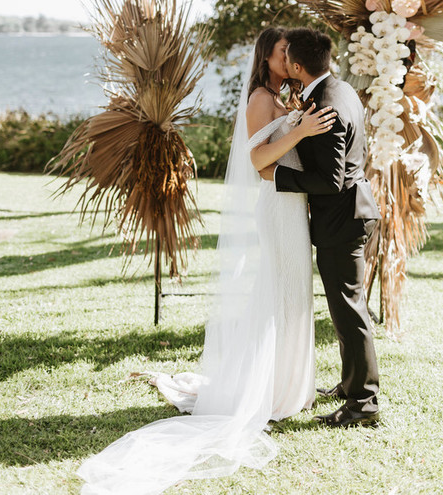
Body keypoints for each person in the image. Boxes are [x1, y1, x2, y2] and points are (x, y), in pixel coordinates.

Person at [77, 26, 335, 495]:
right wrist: (298, 130)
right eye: (282, 51)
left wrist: (298, 124)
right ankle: (271, 390)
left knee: (292, 291)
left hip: (293, 206)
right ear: (269, 57)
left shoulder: (282, 96)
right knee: (281, 290)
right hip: (278, 207)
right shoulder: (261, 97)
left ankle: (288, 384)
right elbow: (259, 161)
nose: (290, 57)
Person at [260, 26, 381, 428]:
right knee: (346, 307)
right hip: (350, 213)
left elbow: (330, 180)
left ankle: (363, 404)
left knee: (349, 311)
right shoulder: (340, 90)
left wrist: (277, 177)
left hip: (342, 220)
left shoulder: (325, 105)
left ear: (296, 66)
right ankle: (350, 386)